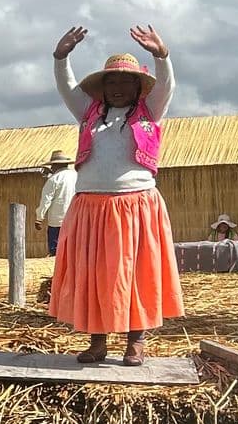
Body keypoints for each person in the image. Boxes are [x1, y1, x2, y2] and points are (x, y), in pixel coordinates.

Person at [47, 24, 184, 366]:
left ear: (138, 87)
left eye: (126, 81)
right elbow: (66, 87)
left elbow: (166, 85)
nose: (119, 87)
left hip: (135, 205)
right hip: (90, 207)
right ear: (101, 88)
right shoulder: (89, 114)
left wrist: (161, 55)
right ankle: (97, 342)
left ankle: (136, 341)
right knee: (95, 275)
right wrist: (61, 57)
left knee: (135, 273)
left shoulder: (149, 112)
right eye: (111, 81)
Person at [36, 151, 76, 256]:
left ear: (56, 165)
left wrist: (39, 218)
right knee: (73, 250)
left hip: (57, 222)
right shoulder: (77, 176)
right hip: (75, 220)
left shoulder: (54, 179)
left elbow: (46, 200)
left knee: (56, 252)